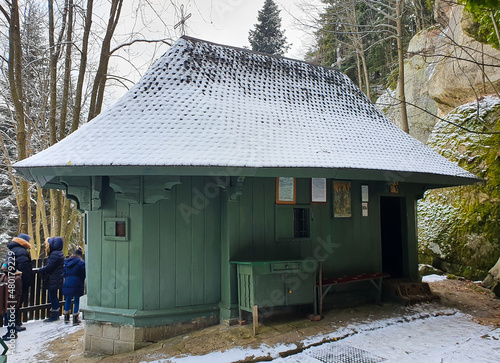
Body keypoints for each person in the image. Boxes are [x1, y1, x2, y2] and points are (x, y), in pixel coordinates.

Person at [4, 233, 33, 331]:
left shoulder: (12, 250)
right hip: (20, 281)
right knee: (17, 302)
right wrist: (27, 280)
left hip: (12, 279)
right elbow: (24, 267)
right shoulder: (22, 251)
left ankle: (13, 323)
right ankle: (15, 324)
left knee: (13, 302)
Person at [37, 237, 65, 322]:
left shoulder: (55, 254)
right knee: (53, 296)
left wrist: (41, 270)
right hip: (56, 278)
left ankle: (55, 315)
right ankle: (55, 313)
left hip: (53, 278)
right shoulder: (58, 253)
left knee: (52, 296)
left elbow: (49, 267)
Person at [62, 247, 85, 324]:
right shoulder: (81, 263)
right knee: (76, 300)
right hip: (77, 282)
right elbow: (83, 273)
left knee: (68, 299)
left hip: (67, 282)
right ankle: (75, 318)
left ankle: (66, 317)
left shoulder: (66, 262)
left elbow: (64, 273)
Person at [0, 266, 22, 341]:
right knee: (6, 317)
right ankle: (9, 331)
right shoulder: (4, 276)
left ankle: (12, 333)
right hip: (6, 300)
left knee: (11, 318)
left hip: (12, 301)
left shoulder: (17, 279)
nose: (3, 270)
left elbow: (18, 292)